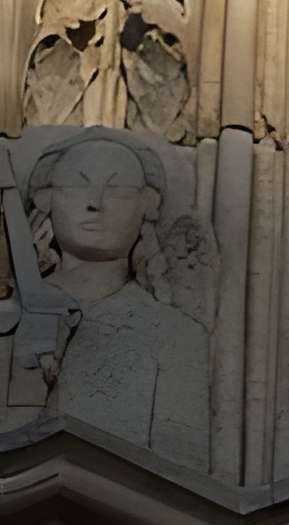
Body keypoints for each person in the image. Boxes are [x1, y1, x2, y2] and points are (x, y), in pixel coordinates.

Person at [0, 132, 209, 468]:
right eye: (77, 185)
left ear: (148, 204)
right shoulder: (9, 321)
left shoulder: (177, 336)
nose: (95, 202)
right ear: (45, 198)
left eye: (117, 189)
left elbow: (182, 474)